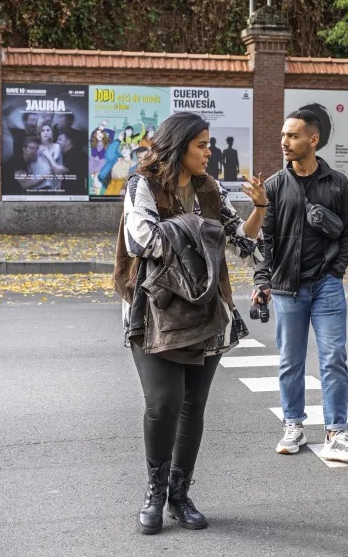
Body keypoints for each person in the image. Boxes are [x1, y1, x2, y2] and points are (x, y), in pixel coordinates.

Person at [114, 111, 267, 534]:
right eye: (202, 144)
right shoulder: (142, 184)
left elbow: (240, 242)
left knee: (192, 406)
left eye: (209, 143)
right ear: (179, 146)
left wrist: (259, 208)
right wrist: (201, 230)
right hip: (154, 310)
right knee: (162, 404)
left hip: (204, 308)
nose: (209, 151)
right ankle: (155, 492)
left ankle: (180, 494)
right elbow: (140, 239)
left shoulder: (209, 188)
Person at [252, 109, 348, 461]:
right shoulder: (273, 186)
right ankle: (293, 424)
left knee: (333, 359)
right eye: (284, 135)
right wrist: (262, 279)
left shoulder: (337, 183)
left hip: (327, 285)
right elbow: (265, 240)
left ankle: (337, 433)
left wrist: (337, 271)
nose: (285, 142)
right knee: (291, 361)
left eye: (293, 136)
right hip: (287, 288)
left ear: (313, 140)